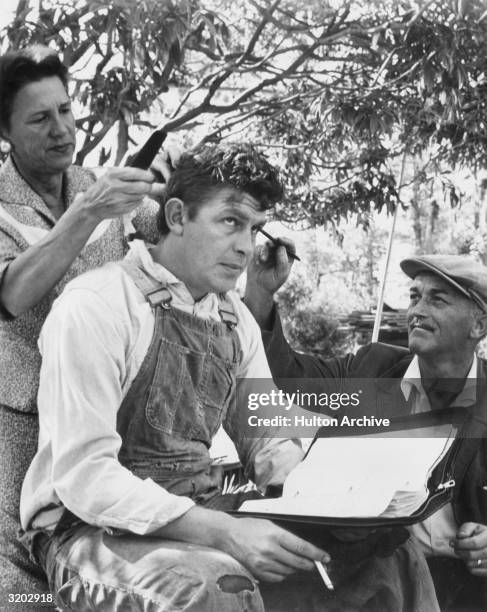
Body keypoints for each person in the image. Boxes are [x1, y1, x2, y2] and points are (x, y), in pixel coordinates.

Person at [19, 143, 439, 612]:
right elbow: (86, 479)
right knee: (220, 584)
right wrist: (226, 531)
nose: (244, 247)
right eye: (230, 222)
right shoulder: (97, 304)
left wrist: (339, 496)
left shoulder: (233, 318)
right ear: (177, 216)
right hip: (85, 533)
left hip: (201, 513)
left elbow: (268, 437)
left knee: (389, 553)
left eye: (253, 229)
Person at [0, 44, 166, 600]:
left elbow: (172, 235)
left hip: (106, 419)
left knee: (104, 579)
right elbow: (13, 293)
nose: (61, 129)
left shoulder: (101, 185)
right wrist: (90, 211)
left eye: (66, 110)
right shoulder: (85, 199)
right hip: (17, 431)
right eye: (40, 118)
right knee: (23, 589)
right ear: (5, 131)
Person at [244, 243, 487, 611]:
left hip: (470, 589)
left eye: (437, 300)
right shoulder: (373, 368)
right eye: (414, 297)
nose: (417, 311)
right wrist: (260, 292)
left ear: (479, 325)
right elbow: (290, 377)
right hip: (377, 575)